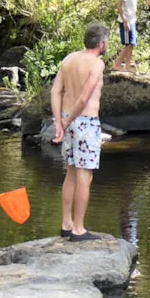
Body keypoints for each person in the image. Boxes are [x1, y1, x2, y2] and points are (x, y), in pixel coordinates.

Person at [51, 22, 108, 242]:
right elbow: (84, 97)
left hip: (68, 119)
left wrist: (60, 120)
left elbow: (56, 91)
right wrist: (66, 121)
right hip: (86, 123)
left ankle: (66, 224)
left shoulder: (68, 60)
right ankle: (78, 229)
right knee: (85, 176)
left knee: (71, 173)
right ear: (101, 43)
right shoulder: (96, 64)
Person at [113, 0, 141, 73]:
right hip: (125, 21)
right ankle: (117, 64)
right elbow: (119, 6)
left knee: (132, 43)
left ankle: (128, 65)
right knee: (128, 43)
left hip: (132, 20)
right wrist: (125, 21)